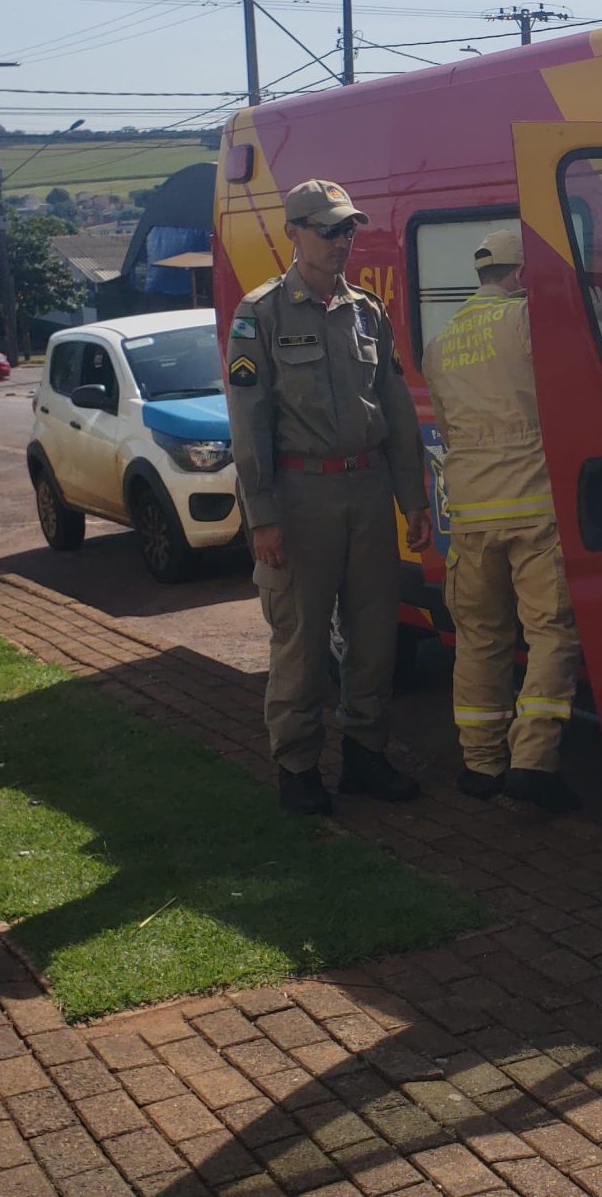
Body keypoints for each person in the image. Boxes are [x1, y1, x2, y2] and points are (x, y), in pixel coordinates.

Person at [225, 178, 431, 815]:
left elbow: (394, 408)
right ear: (294, 233)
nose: (343, 241)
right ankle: (299, 767)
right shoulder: (260, 315)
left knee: (374, 637)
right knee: (303, 642)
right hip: (300, 494)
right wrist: (262, 515)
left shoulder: (366, 310)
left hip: (367, 490)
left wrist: (411, 497)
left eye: (348, 229)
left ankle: (367, 756)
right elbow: (248, 423)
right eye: (328, 229)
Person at [420, 227, 595, 814]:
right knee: (550, 636)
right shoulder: (528, 323)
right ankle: (533, 764)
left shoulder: (441, 344)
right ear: (523, 276)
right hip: (535, 509)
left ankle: (481, 764)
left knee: (479, 639)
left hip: (469, 516)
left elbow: (445, 428)